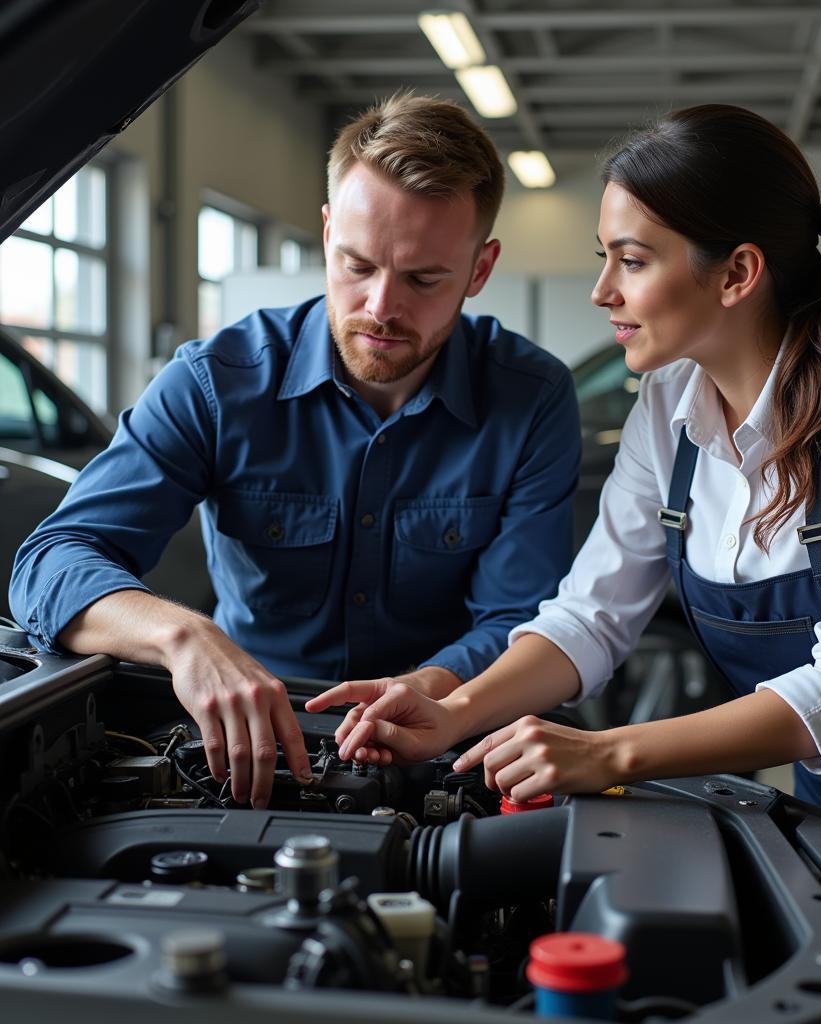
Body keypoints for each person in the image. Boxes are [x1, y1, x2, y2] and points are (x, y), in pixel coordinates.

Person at [308, 103, 821, 945]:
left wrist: (607, 754)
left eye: (633, 260)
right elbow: (590, 618)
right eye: (604, 258)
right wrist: (456, 708)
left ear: (736, 273)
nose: (602, 290)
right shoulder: (668, 407)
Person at [9, 94, 580, 810]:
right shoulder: (217, 381)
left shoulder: (532, 398)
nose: (379, 307)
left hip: (458, 738)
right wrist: (184, 637)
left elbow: (522, 622)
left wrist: (430, 688)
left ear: (480, 268)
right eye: (356, 264)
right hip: (250, 740)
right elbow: (51, 562)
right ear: (326, 231)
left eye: (423, 279)